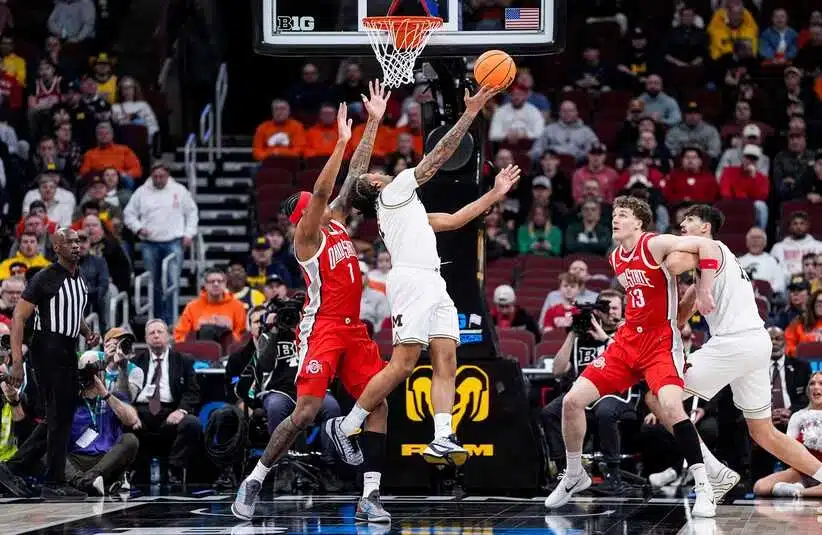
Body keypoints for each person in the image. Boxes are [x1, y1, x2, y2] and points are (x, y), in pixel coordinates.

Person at [234, 88, 391, 523]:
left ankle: (370, 496)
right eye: (315, 205)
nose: (325, 205)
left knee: (378, 403)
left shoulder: (335, 221)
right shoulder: (307, 239)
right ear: (305, 216)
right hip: (322, 326)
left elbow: (354, 177)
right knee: (304, 412)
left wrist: (373, 121)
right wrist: (338, 143)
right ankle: (256, 478)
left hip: (353, 327)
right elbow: (325, 189)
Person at [543, 196, 721, 517]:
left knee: (671, 407)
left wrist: (704, 289)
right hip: (627, 342)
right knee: (571, 401)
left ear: (638, 222)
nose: (615, 219)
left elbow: (707, 246)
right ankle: (575, 474)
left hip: (660, 343)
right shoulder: (615, 257)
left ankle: (704, 485)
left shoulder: (654, 244)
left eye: (623, 215)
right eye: (614, 214)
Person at [648, 205, 822, 502]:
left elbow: (674, 263)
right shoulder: (715, 262)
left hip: (734, 342)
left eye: (689, 220)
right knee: (763, 432)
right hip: (755, 343)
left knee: (657, 395)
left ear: (705, 228)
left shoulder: (713, 248)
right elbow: (680, 316)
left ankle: (715, 471)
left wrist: (656, 247)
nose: (682, 225)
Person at [7, 228, 100, 499]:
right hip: (47, 347)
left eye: (78, 241)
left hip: (68, 348)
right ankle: (51, 480)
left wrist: (86, 332)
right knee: (58, 415)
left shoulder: (78, 277)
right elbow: (18, 317)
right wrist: (16, 361)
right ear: (56, 248)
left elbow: (74, 311)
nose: (76, 245)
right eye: (69, 242)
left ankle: (17, 467)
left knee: (62, 415)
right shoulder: (45, 277)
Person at [66, 350, 139, 495]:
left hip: (107, 459)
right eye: (85, 372)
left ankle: (87, 482)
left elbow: (131, 419)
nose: (90, 377)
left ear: (102, 373)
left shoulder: (114, 397)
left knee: (130, 440)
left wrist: (105, 394)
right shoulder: (71, 401)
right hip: (77, 460)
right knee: (46, 446)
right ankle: (87, 482)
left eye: (93, 372)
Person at [753, 371, 822, 498]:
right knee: (760, 486)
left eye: (821, 383)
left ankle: (799, 492)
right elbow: (788, 451)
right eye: (812, 384)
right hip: (803, 471)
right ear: (808, 390)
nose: (816, 387)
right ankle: (809, 489)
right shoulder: (797, 416)